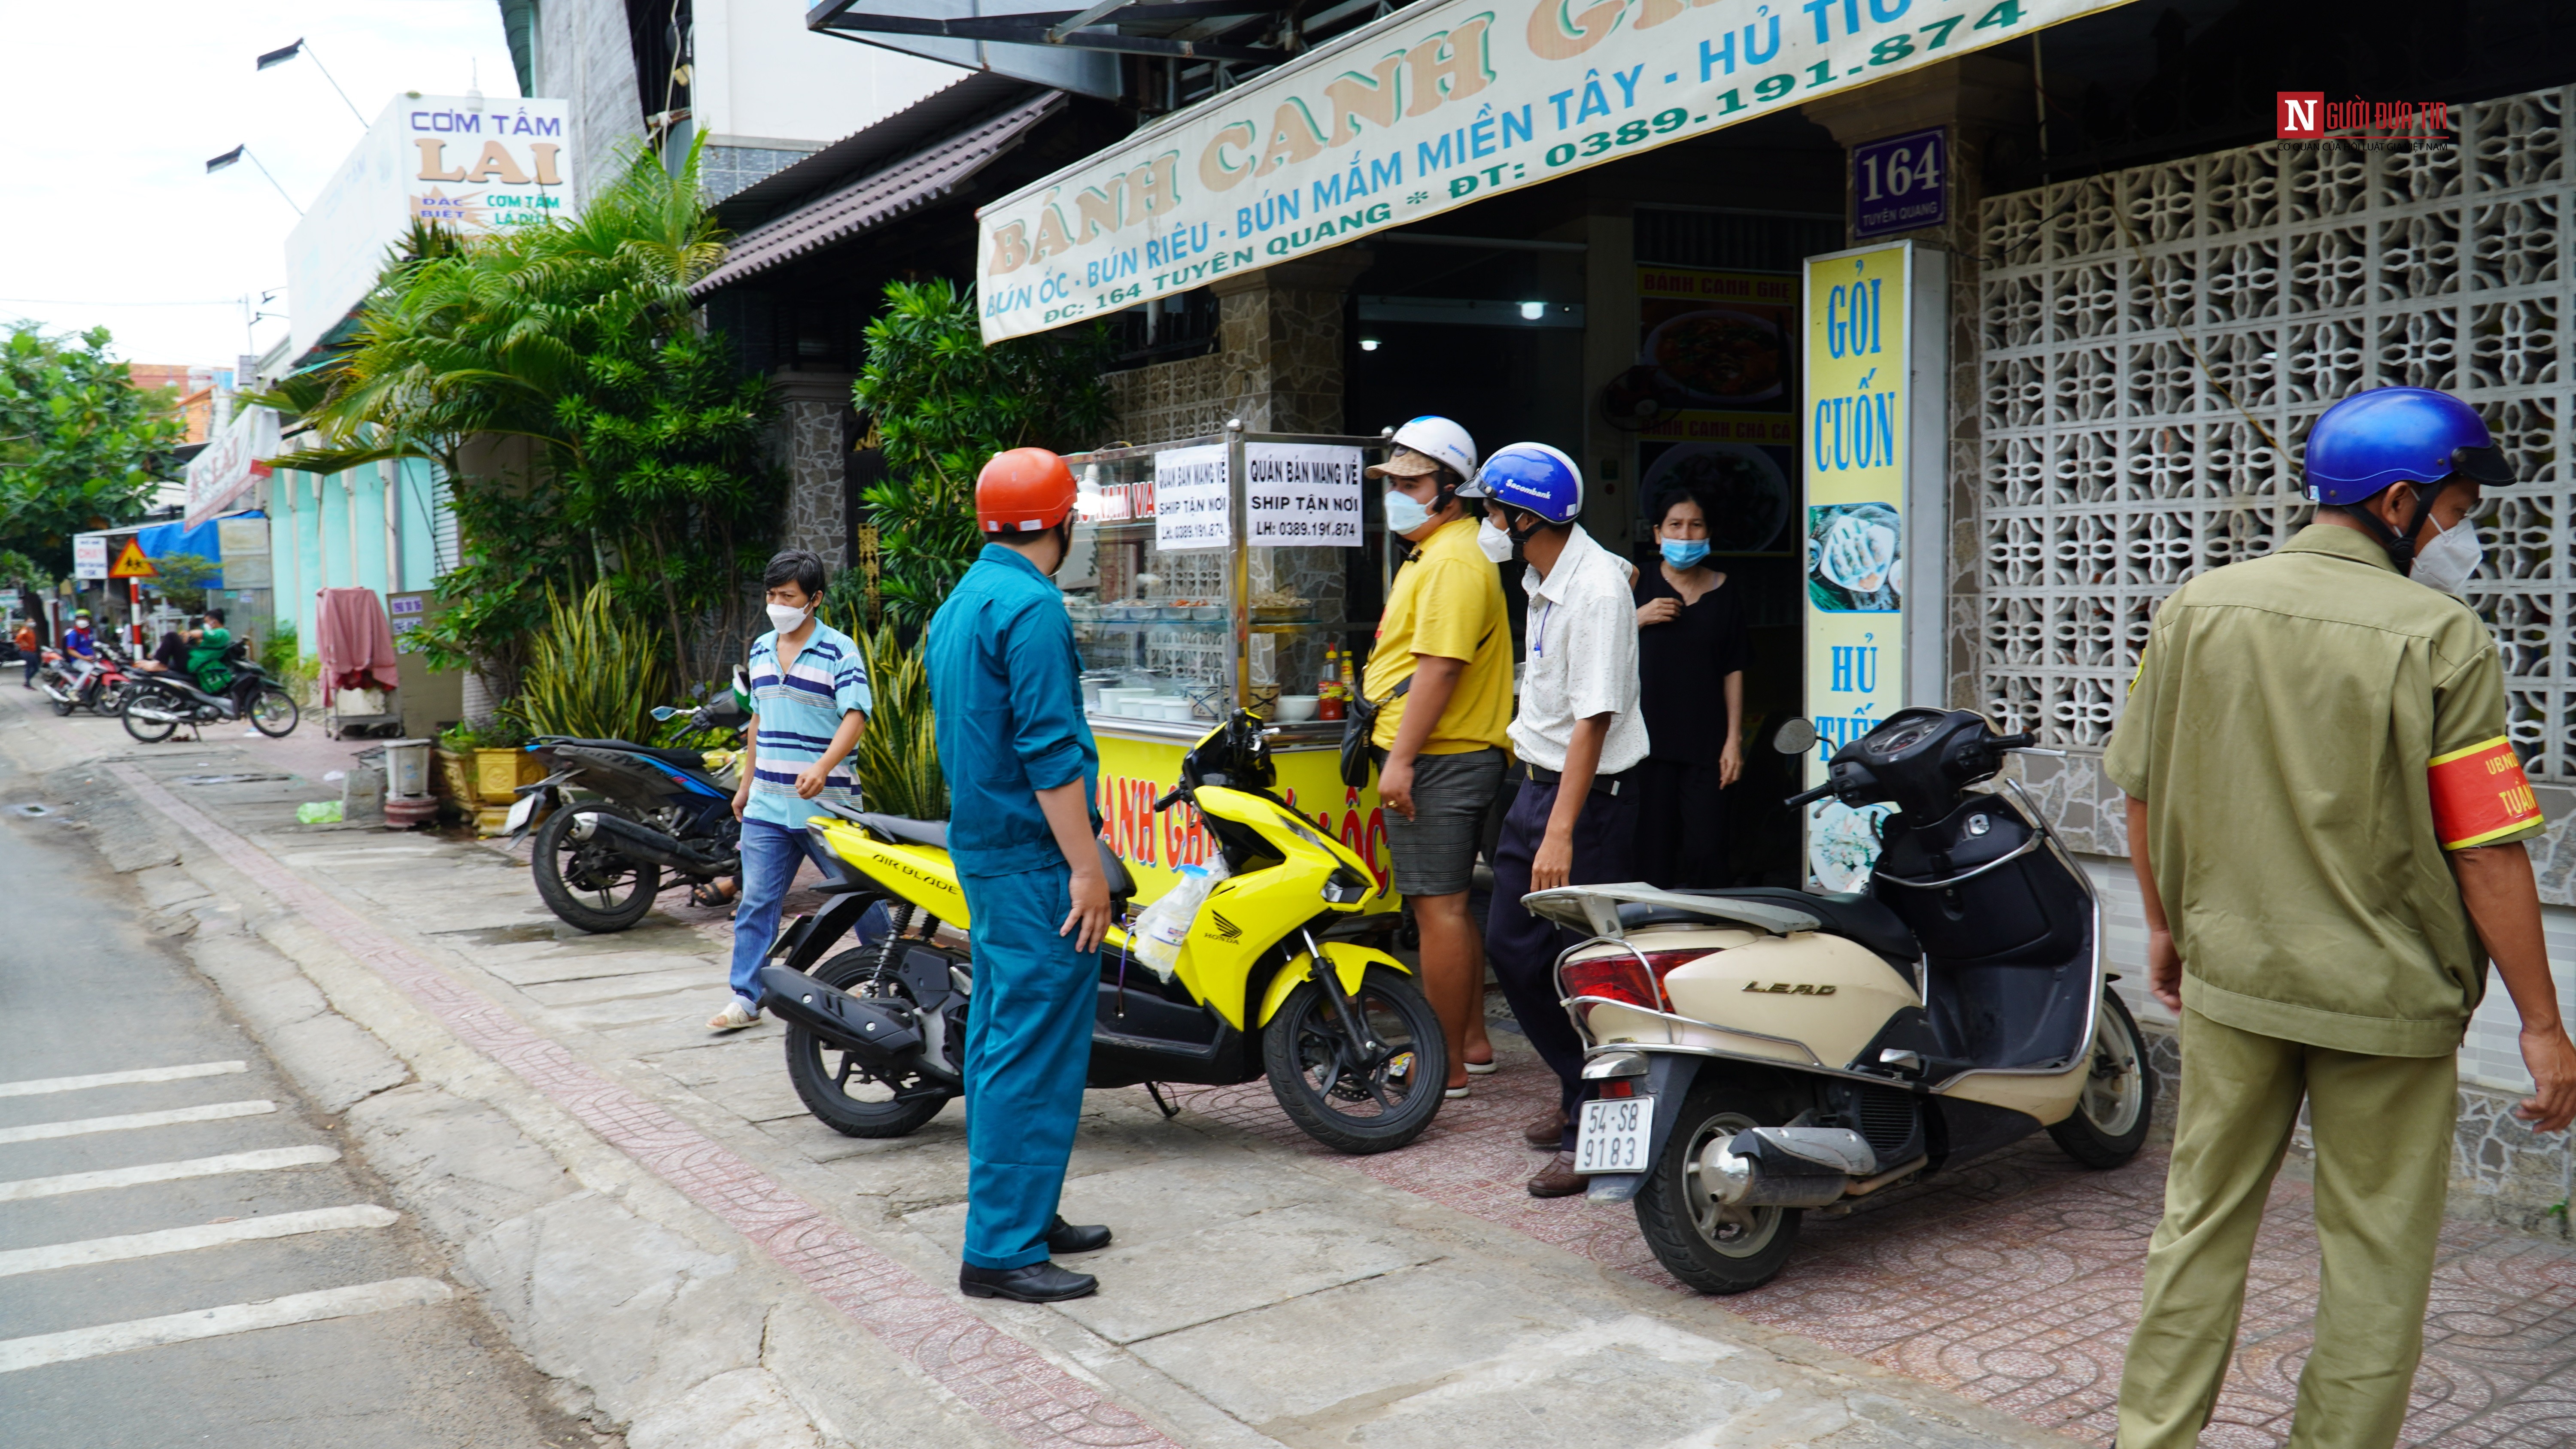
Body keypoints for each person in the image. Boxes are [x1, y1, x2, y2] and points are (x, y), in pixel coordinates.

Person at [2107, 386, 2576, 1449]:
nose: (2465, 536)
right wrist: (2541, 1024)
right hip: (2387, 1004)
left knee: (2197, 1227)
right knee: (2373, 1258)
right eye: (2459, 511)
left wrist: (2168, 927)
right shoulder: (2443, 639)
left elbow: (2141, 787)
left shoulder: (2199, 607)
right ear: (2399, 502)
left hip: (2235, 981)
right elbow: (2486, 847)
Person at [925, 448, 1115, 1304]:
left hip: (989, 850)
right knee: (1028, 1048)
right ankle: (1001, 1246)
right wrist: (1087, 866)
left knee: (1009, 1036)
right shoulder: (1033, 607)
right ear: (1064, 522)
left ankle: (1025, 1210)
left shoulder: (962, 600)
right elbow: (1047, 751)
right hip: (1037, 860)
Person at [1474, 443, 1649, 1197]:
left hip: (1585, 800)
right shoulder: (1553, 572)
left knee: (1582, 966)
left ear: (1524, 517)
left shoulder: (1599, 592)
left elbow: (1595, 719)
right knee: (1513, 947)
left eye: (1491, 508)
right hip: (1536, 783)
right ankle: (1578, 1085)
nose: (1484, 520)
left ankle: (1596, 1124)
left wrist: (1560, 830)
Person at [1361, 415, 1511, 1099]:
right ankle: (1472, 1042)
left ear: (1453, 489)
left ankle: (1445, 1064)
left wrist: (1401, 761)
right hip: (1447, 755)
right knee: (1450, 906)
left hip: (1440, 760)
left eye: (1412, 481)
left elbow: (1440, 670)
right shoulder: (1439, 550)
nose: (1397, 493)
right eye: (1392, 481)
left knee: (1437, 910)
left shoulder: (1452, 559)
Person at [710, 550, 871, 1032]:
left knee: (862, 897)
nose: (777, 604)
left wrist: (823, 767)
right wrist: (745, 785)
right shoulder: (760, 649)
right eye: (772, 595)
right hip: (767, 802)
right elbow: (757, 721)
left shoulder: (840, 651)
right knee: (758, 899)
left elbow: (856, 716)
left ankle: (890, 978)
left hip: (828, 805)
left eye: (789, 596)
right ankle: (746, 996)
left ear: (814, 599)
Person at [1630, 487, 1749, 888]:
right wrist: (1638, 618)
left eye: (1695, 526)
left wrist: (1734, 741)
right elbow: (1594, 644)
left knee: (1707, 850)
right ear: (1658, 534)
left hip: (1706, 746)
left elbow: (1734, 668)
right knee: (1650, 851)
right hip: (1646, 745)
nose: (1685, 535)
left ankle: (1713, 937)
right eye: (1675, 526)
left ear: (1708, 533)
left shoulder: (1725, 590)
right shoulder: (1635, 582)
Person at [185, 608, 234, 694]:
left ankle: (159, 663)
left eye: (206, 621)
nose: (205, 624)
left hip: (199, 662)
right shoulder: (220, 633)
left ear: (214, 622)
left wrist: (189, 634)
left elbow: (200, 634)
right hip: (198, 660)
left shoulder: (221, 632)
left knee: (171, 637)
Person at [14, 619, 36, 687]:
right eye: (30, 622)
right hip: (26, 651)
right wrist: (24, 644)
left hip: (32, 651)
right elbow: (18, 639)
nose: (32, 623)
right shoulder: (25, 630)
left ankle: (27, 681)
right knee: (29, 667)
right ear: (27, 623)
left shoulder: (31, 631)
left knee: (36, 668)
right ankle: (28, 683)